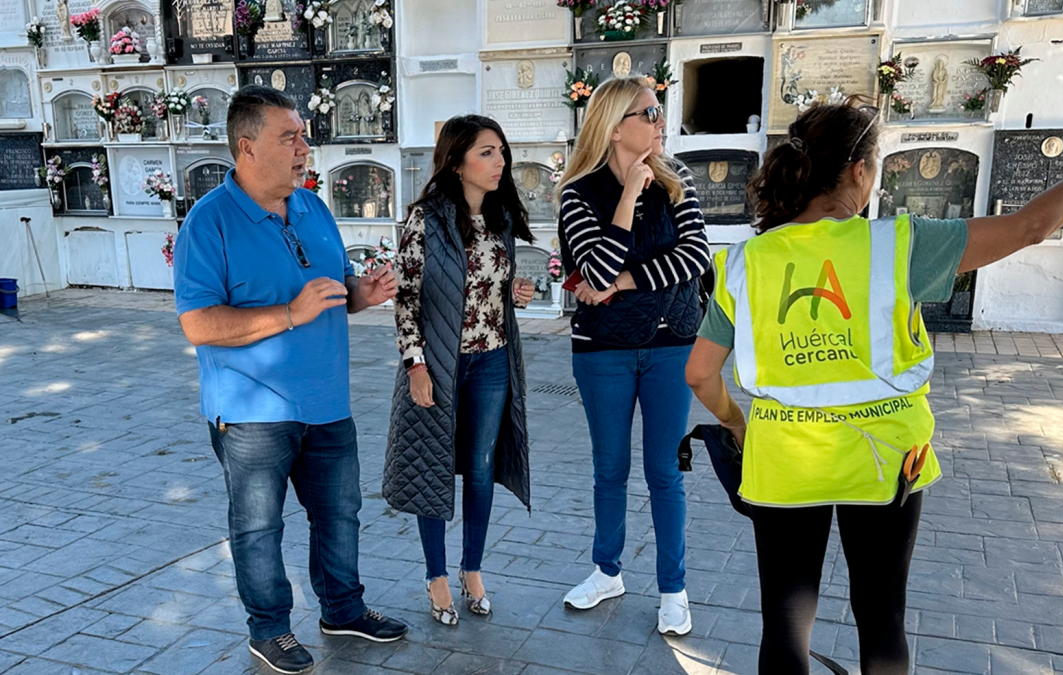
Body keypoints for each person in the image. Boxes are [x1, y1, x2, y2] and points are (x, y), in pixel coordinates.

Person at [684, 101, 1063, 674]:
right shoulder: (900, 245)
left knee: (786, 625)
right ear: (860, 172)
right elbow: (1032, 226)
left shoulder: (746, 261)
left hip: (783, 459)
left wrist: (737, 424)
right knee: (882, 617)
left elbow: (699, 372)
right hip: (888, 458)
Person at [172, 85, 409, 674]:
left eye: (304, 135)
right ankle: (270, 629)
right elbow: (198, 324)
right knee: (258, 526)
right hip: (251, 411)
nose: (306, 147)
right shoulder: (209, 223)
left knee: (341, 514)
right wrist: (288, 314)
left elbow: (329, 291)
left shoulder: (313, 206)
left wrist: (362, 294)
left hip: (326, 400)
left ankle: (342, 609)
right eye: (291, 137)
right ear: (247, 148)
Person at [555, 76, 710, 636]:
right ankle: (607, 571)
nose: (659, 120)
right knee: (610, 469)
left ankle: (674, 588)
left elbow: (694, 257)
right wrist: (625, 198)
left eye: (659, 111)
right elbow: (590, 271)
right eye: (648, 112)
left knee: (664, 471)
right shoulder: (578, 192)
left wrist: (622, 281)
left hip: (671, 345)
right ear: (616, 125)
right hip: (604, 352)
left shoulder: (678, 180)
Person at [383, 114, 537, 627]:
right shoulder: (426, 219)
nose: (500, 162)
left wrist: (516, 293)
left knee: (481, 467)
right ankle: (437, 576)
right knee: (432, 466)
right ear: (456, 161)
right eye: (487, 152)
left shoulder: (501, 218)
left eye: (501, 151)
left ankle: (472, 569)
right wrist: (416, 366)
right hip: (441, 364)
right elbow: (405, 298)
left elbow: (495, 288)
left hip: (492, 362)